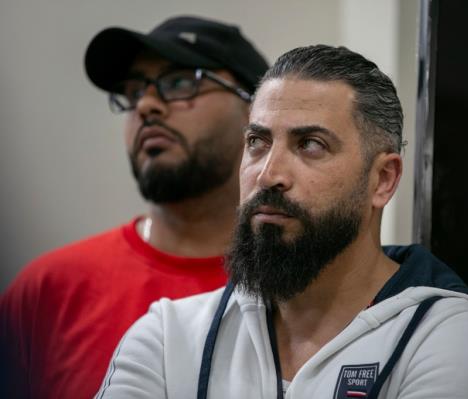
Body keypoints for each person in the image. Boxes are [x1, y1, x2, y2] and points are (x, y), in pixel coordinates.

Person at [95, 45, 468, 398]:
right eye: (258, 142)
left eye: (310, 144)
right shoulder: (170, 335)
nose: (268, 174)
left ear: (382, 179)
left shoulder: (449, 337)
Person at [0, 16, 268, 399]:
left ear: (255, 113)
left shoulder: (305, 288)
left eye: (178, 82)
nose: (146, 105)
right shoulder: (46, 292)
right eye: (133, 90)